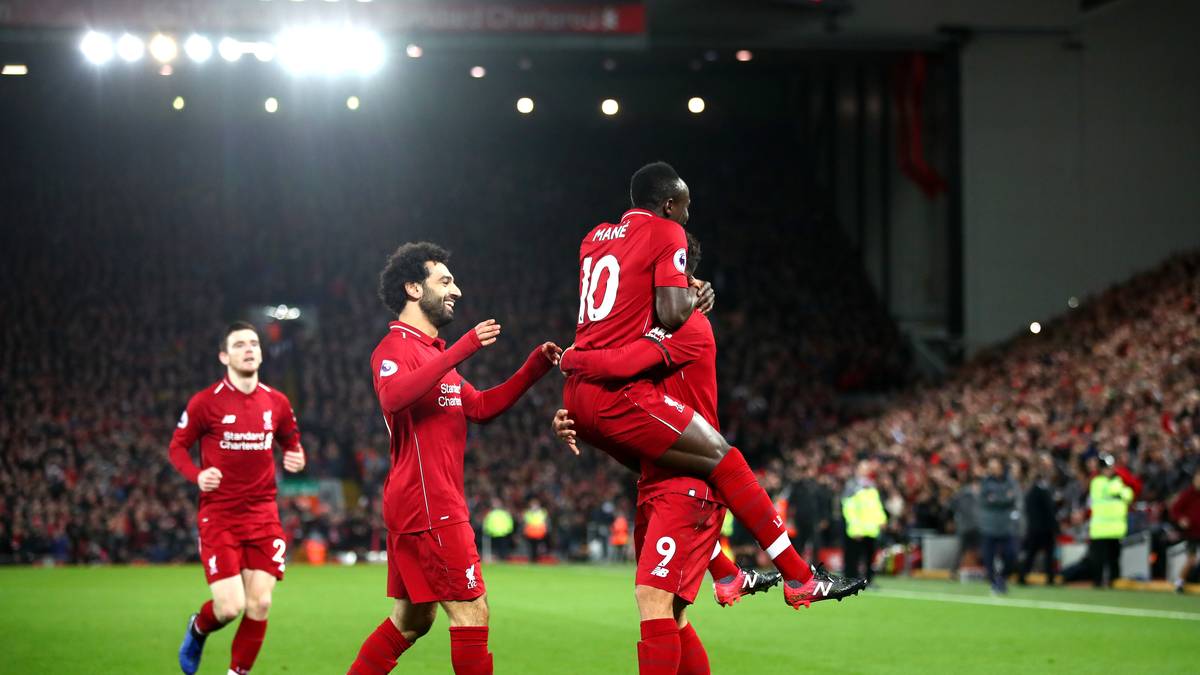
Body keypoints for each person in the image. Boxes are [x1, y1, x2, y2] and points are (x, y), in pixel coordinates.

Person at [558, 213, 854, 674]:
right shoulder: (645, 322)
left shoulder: (687, 325)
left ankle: (793, 574)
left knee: (654, 600)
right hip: (658, 482)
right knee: (672, 614)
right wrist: (577, 415)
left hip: (689, 485)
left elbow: (624, 364)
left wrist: (574, 361)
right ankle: (733, 572)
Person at [347, 242, 561, 675]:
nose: (457, 290)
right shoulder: (394, 348)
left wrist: (533, 369)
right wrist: (462, 348)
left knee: (412, 620)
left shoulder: (433, 354)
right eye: (445, 281)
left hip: (427, 502)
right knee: (472, 612)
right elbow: (393, 397)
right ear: (413, 288)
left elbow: (479, 407)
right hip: (427, 505)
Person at [171, 321, 307, 675]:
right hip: (220, 515)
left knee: (260, 603)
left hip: (263, 514)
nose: (248, 349)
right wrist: (198, 475)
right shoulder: (206, 402)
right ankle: (198, 627)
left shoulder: (277, 402)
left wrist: (296, 455)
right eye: (239, 344)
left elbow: (292, 442)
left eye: (253, 343)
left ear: (261, 353)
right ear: (224, 356)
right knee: (230, 607)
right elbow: (177, 448)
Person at [1088, 454, 1133, 588]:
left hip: (1115, 530)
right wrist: (1121, 489)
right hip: (1100, 530)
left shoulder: (1116, 481)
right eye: (1107, 468)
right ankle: (1098, 583)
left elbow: (1129, 495)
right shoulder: (1097, 482)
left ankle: (1114, 583)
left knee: (1114, 560)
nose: (1110, 470)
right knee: (1098, 560)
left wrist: (1122, 490)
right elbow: (1115, 491)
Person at [841, 461, 888, 587]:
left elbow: (876, 506)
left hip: (871, 529)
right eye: (863, 468)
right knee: (853, 557)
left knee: (870, 558)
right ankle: (850, 581)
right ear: (857, 469)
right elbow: (848, 507)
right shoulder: (852, 485)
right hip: (857, 529)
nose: (865, 471)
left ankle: (868, 580)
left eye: (867, 469)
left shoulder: (872, 486)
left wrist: (882, 520)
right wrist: (855, 527)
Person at [979, 457, 1020, 594]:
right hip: (989, 526)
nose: (991, 469)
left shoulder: (1011, 481)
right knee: (988, 557)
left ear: (1001, 467)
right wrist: (1004, 498)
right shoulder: (986, 481)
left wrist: (996, 499)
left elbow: (1013, 498)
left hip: (1007, 526)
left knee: (1011, 554)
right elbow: (984, 500)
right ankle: (994, 582)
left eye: (994, 466)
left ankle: (1002, 578)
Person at [1018, 455, 1058, 586]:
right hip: (1040, 527)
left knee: (1037, 553)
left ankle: (1026, 576)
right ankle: (1026, 576)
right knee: (1038, 553)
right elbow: (1048, 509)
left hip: (1038, 526)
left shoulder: (1040, 486)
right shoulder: (1040, 486)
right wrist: (1054, 526)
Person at [1169, 469, 1200, 592]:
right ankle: (1180, 582)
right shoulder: (1188, 494)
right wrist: (1181, 519)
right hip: (1192, 533)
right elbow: (1175, 510)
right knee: (1191, 560)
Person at [522, 498, 549, 564]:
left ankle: (537, 559)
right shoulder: (528, 513)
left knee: (538, 548)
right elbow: (525, 523)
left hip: (540, 533)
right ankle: (532, 559)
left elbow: (546, 523)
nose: (534, 506)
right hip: (530, 533)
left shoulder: (542, 512)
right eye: (532, 505)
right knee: (531, 548)